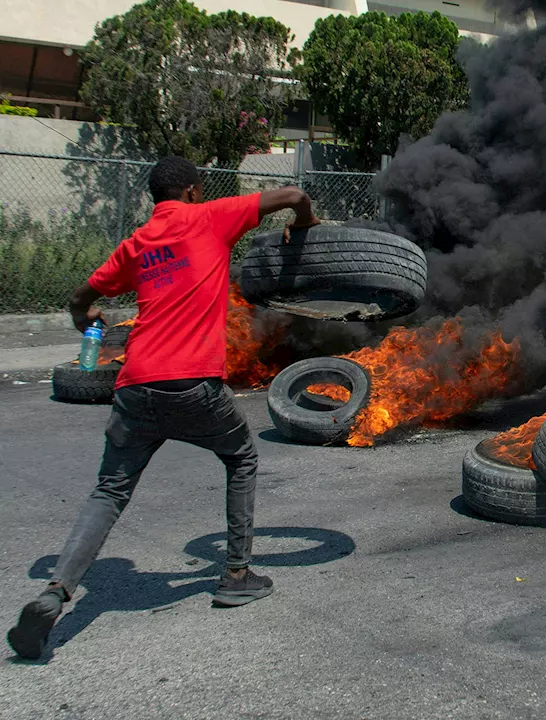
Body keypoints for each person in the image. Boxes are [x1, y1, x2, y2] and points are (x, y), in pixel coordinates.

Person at [6, 156, 320, 661]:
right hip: (193, 384)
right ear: (194, 191)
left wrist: (84, 318)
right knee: (240, 458)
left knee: (109, 491)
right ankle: (236, 574)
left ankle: (55, 593)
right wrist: (305, 224)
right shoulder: (209, 216)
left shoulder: (137, 244)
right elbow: (291, 195)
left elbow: (82, 294)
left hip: (134, 388)